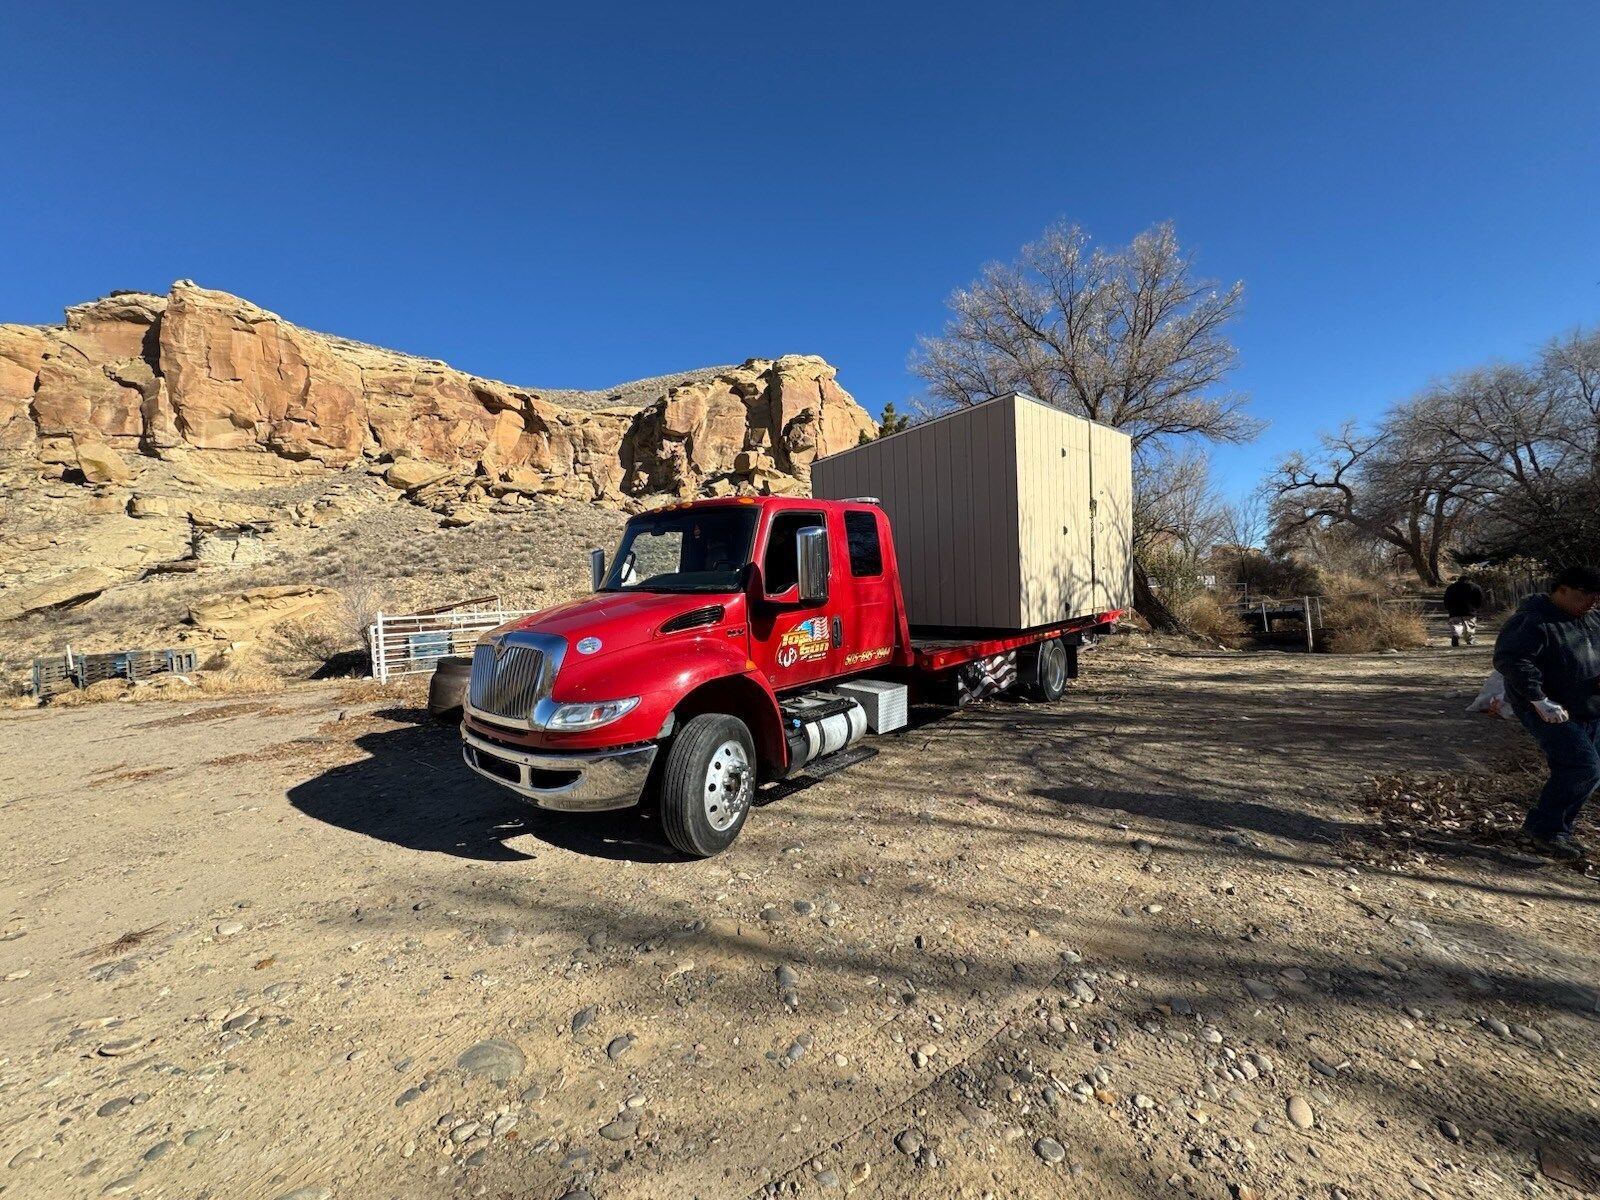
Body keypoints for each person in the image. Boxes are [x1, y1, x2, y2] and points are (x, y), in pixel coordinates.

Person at [1492, 565, 1600, 859]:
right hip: (1548, 709)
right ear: (1561, 590)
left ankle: (1557, 830)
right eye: (1584, 595)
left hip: (1589, 706)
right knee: (1582, 767)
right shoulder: (1533, 621)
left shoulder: (1592, 620)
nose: (1591, 602)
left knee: (1591, 773)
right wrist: (1538, 698)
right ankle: (1545, 830)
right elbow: (1511, 660)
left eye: (1595, 596)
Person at [1442, 574, 1486, 647]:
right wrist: (1477, 607)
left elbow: (1446, 599)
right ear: (1469, 579)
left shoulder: (1451, 587)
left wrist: (1448, 608)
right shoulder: (1475, 587)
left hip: (1454, 610)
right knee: (1469, 626)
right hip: (1470, 610)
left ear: (1458, 580)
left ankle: (1456, 635)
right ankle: (1470, 640)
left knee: (1456, 624)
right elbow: (1480, 598)